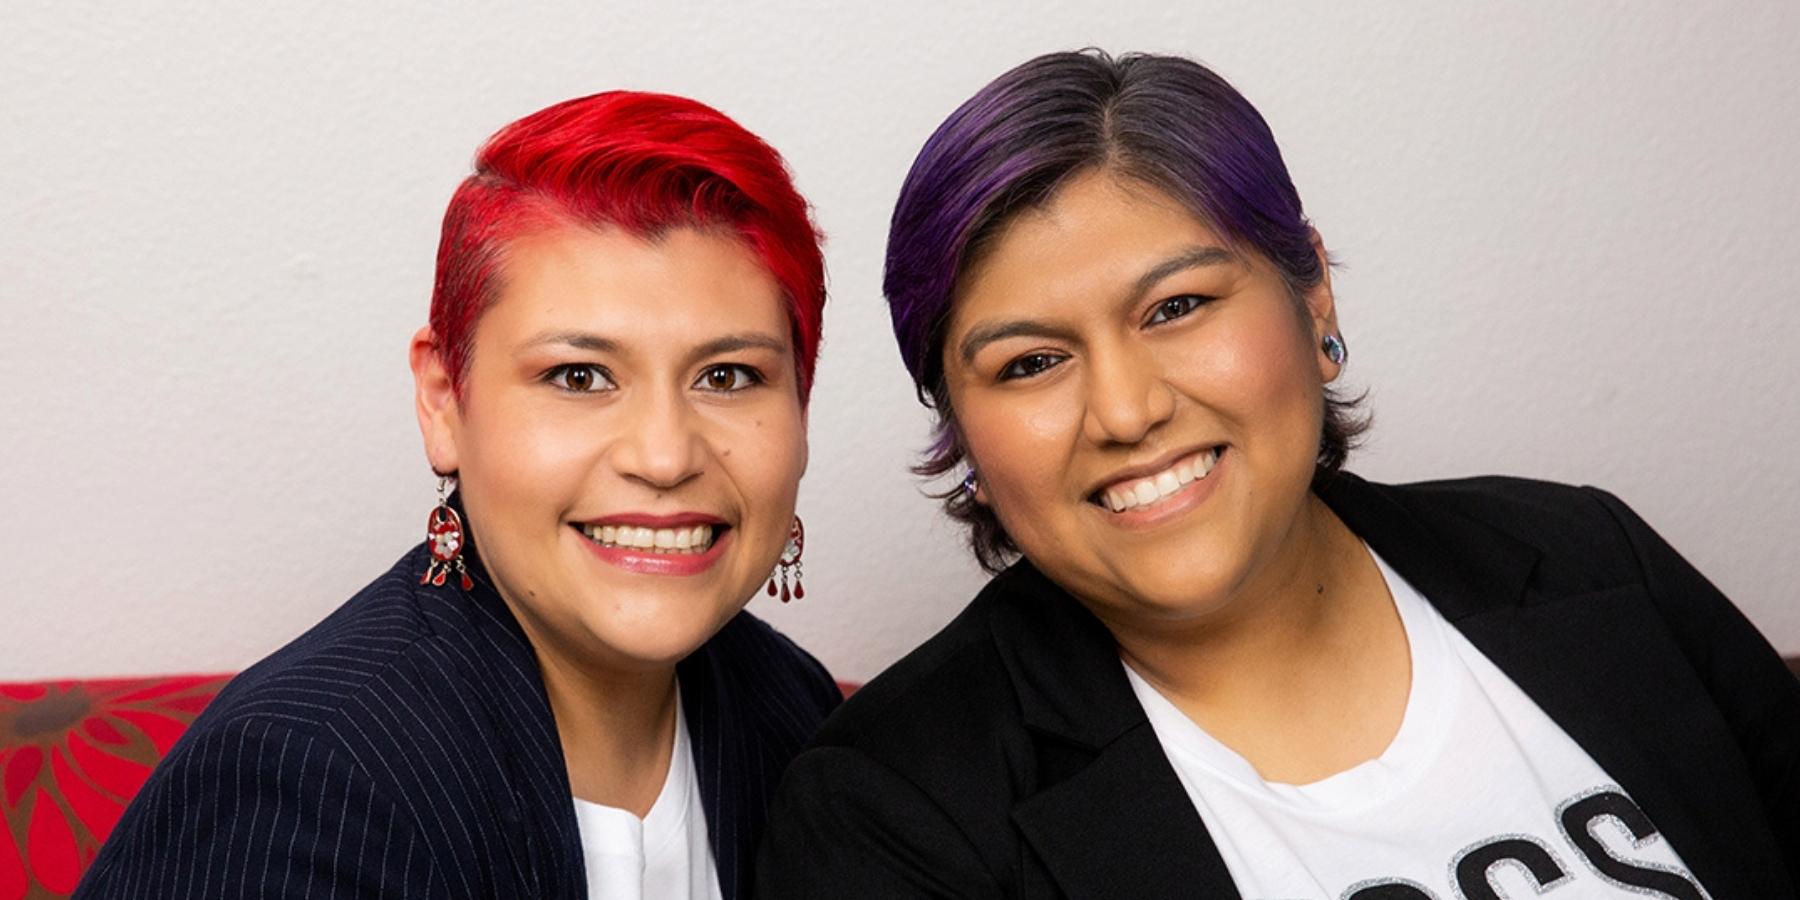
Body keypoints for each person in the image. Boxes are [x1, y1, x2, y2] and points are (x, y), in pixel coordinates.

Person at [758, 50, 1799, 899]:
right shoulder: (888, 816)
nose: (1126, 412)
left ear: (1313, 297)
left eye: (1177, 308)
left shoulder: (1585, 556)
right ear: (966, 438)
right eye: (1029, 364)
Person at [76, 90, 840, 899]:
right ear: (444, 400)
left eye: (728, 377)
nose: (663, 455)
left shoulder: (794, 712)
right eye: (578, 376)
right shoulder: (302, 776)